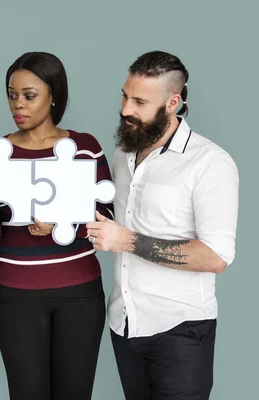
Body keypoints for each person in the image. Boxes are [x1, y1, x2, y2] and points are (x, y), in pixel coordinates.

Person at [86, 50, 239, 400]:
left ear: (172, 103)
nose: (126, 109)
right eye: (124, 96)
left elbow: (216, 257)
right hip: (123, 326)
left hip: (180, 332)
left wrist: (127, 241)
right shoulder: (123, 154)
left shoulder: (210, 163)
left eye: (139, 101)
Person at [0, 51, 114, 400]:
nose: (17, 104)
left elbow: (107, 218)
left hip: (79, 291)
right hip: (15, 293)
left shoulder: (85, 149)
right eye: (12, 94)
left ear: (54, 96)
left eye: (29, 95)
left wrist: (63, 226)